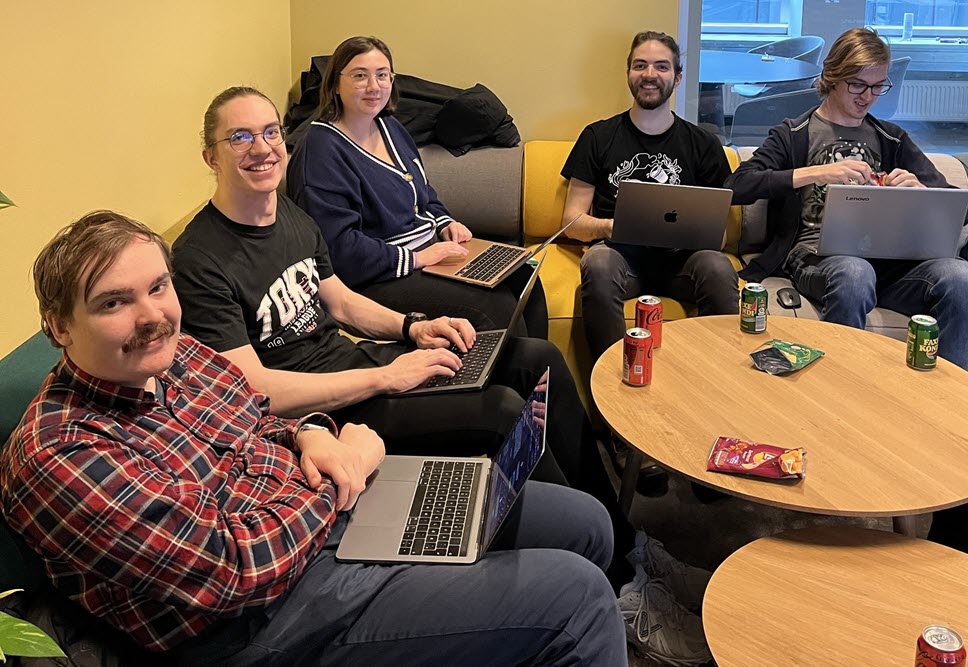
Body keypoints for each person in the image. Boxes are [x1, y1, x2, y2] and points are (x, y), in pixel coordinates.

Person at [0, 211, 626, 664]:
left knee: (583, 523)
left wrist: (312, 435)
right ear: (59, 325)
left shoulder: (180, 356)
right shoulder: (61, 453)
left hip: (326, 515)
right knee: (578, 598)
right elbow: (234, 572)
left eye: (158, 287)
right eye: (114, 303)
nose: (151, 315)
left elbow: (258, 414)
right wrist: (345, 471)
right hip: (264, 619)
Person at [171, 86, 633, 574]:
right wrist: (386, 377)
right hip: (333, 410)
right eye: (240, 137)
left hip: (361, 366)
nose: (262, 148)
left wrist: (413, 327)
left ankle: (619, 534)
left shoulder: (289, 214)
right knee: (502, 410)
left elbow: (341, 301)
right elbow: (252, 392)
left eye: (270, 132)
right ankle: (608, 569)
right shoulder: (200, 260)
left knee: (537, 358)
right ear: (210, 157)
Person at [726, 27, 968, 368]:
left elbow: (960, 210)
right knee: (854, 271)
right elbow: (737, 185)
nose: (868, 97)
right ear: (832, 77)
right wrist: (816, 173)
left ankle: (947, 399)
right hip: (818, 259)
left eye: (878, 87)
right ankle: (841, 393)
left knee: (962, 277)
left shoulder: (890, 138)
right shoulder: (794, 134)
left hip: (891, 267)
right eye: (858, 85)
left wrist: (922, 190)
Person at [560, 30, 739, 495]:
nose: (650, 75)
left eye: (661, 66)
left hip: (682, 263)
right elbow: (572, 221)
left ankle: (717, 423)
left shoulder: (702, 144)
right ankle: (623, 426)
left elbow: (719, 234)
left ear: (677, 77)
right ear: (628, 74)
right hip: (622, 259)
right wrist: (614, 226)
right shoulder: (598, 137)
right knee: (596, 266)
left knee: (720, 269)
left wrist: (686, 230)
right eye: (641, 65)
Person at [286, 35, 547, 339]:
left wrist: (446, 222)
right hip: (376, 277)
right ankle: (510, 380)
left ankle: (536, 382)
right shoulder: (320, 151)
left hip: (429, 255)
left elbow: (424, 196)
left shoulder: (390, 128)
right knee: (495, 305)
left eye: (382, 75)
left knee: (525, 275)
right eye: (360, 76)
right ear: (334, 85)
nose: (374, 86)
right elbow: (340, 251)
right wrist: (417, 259)